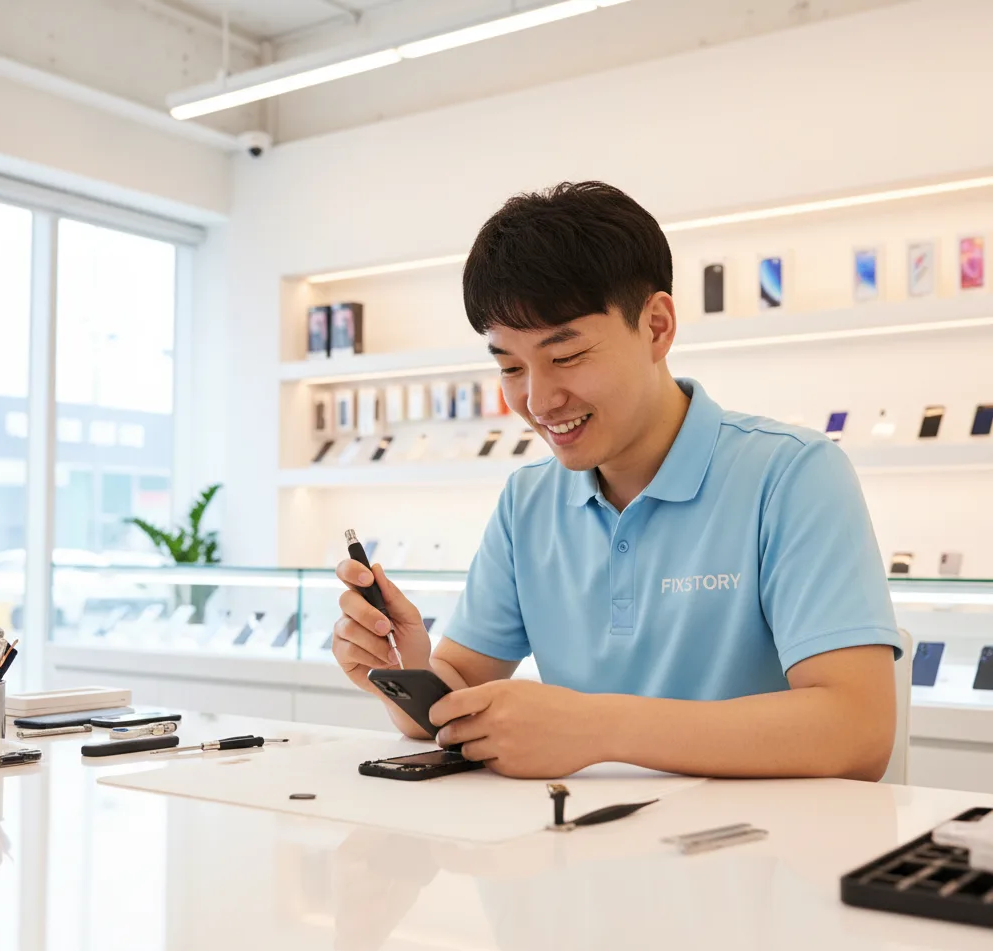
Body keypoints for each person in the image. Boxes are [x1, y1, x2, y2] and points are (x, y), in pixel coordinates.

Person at [332, 181, 902, 781]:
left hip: (752, 859)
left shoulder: (792, 474)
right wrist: (407, 668)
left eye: (567, 356)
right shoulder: (528, 499)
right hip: (574, 850)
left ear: (656, 326)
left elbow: (857, 731)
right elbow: (458, 700)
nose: (539, 399)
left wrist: (597, 728)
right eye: (509, 367)